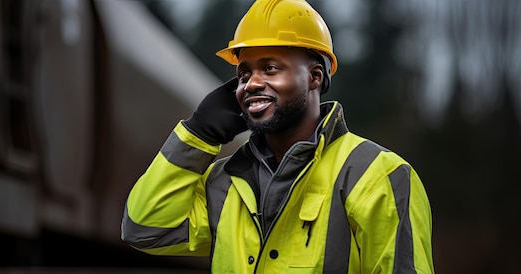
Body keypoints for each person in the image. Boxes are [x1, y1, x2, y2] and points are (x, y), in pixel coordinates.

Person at [121, 0, 434, 273]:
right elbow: (144, 230)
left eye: (270, 68)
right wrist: (197, 135)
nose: (251, 84)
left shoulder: (379, 177)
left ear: (315, 77)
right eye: (243, 74)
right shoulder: (225, 181)